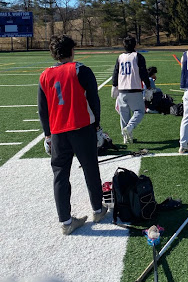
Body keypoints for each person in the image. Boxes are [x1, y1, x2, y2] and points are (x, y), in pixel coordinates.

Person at [38, 35, 107, 235]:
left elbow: (43, 110)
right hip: (81, 127)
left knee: (60, 175)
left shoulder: (44, 75)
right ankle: (97, 209)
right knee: (90, 168)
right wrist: (98, 126)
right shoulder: (80, 70)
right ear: (72, 51)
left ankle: (66, 222)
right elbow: (94, 99)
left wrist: (47, 135)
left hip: (58, 132)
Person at [111, 35, 151, 143]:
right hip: (134, 89)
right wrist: (148, 85)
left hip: (122, 90)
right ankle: (129, 128)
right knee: (140, 111)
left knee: (124, 115)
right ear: (135, 45)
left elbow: (115, 72)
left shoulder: (120, 57)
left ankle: (126, 138)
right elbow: (143, 73)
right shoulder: (138, 56)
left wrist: (114, 85)